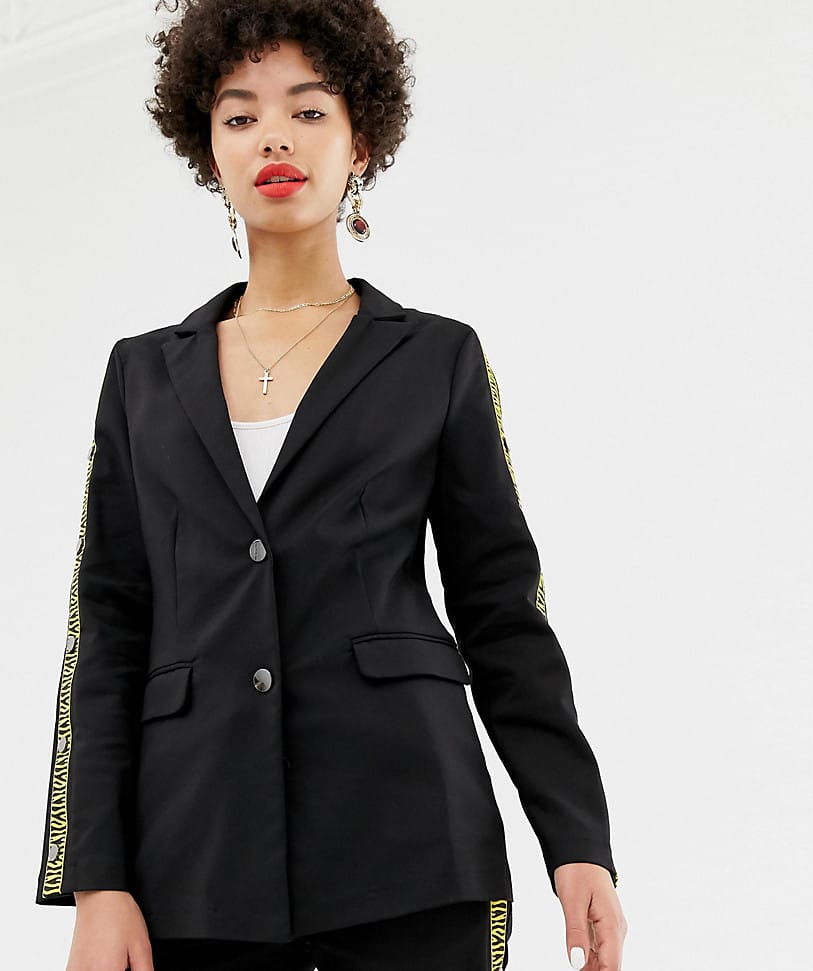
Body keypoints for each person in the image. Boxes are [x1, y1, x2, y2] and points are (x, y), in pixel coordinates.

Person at [35, 2, 628, 969]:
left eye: (308, 110)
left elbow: (501, 613)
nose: (273, 136)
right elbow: (106, 630)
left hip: (413, 850)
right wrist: (96, 880)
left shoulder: (436, 358)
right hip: (194, 860)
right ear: (210, 149)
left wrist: (577, 839)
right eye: (240, 115)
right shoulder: (141, 374)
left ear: (360, 143)